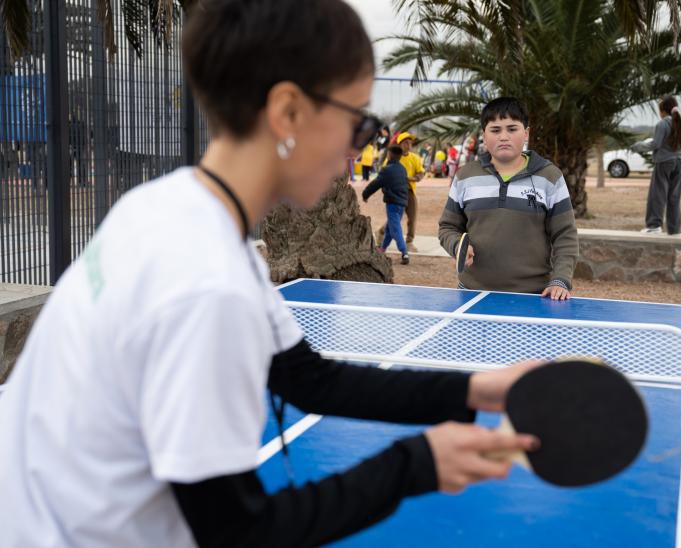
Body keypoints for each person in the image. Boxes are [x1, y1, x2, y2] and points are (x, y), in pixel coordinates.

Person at [0, 2, 540, 547]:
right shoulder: (206, 285)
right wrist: (416, 465)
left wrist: (477, 389)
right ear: (287, 111)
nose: (360, 147)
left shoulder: (166, 208)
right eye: (357, 120)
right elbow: (239, 532)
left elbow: (308, 380)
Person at [439, 97, 579, 300]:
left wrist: (560, 280)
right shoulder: (465, 176)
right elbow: (447, 227)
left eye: (512, 129)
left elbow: (565, 235)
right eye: (495, 130)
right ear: (484, 136)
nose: (504, 136)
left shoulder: (550, 177)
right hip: (471, 293)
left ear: (526, 133)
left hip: (534, 296)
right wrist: (457, 246)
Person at [631, 95, 681, 235]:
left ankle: (654, 226)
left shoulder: (662, 124)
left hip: (664, 163)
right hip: (679, 164)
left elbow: (655, 144)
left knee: (657, 194)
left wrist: (637, 146)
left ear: (663, 111)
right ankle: (674, 229)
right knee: (674, 197)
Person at [376, 131, 425, 250]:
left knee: (412, 217)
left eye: (410, 143)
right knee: (396, 218)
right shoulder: (393, 157)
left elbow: (421, 172)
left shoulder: (415, 158)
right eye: (406, 143)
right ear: (399, 145)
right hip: (396, 192)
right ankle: (382, 232)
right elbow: (384, 173)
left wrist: (415, 178)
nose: (408, 145)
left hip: (409, 191)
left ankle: (409, 241)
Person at [361, 145, 409, 264]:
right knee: (390, 227)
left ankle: (404, 253)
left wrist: (365, 194)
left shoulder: (387, 170)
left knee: (395, 229)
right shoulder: (403, 169)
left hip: (392, 203)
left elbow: (375, 184)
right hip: (402, 203)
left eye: (388, 153)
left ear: (391, 155)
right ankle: (382, 249)